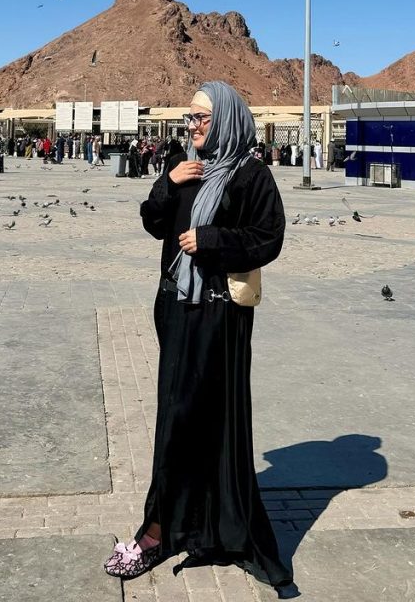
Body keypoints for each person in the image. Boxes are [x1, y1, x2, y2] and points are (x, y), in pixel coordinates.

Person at [104, 81, 294, 594]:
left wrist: (212, 240)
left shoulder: (250, 175)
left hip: (220, 317)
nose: (193, 128)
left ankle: (201, 527)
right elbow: (152, 221)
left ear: (228, 121)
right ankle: (165, 525)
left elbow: (268, 239)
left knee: (214, 415)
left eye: (202, 120)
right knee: (176, 415)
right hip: (176, 310)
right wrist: (167, 182)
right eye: (189, 119)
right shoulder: (185, 167)